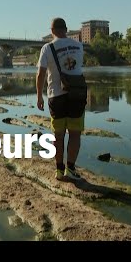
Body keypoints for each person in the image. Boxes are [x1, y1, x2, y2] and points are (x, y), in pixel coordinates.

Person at [36, 17, 86, 180]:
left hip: (56, 96)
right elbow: (77, 67)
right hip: (76, 95)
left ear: (52, 31)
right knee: (75, 134)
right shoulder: (79, 46)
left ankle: (59, 170)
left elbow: (41, 74)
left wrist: (39, 96)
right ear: (66, 29)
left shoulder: (47, 47)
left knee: (58, 135)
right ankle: (70, 169)